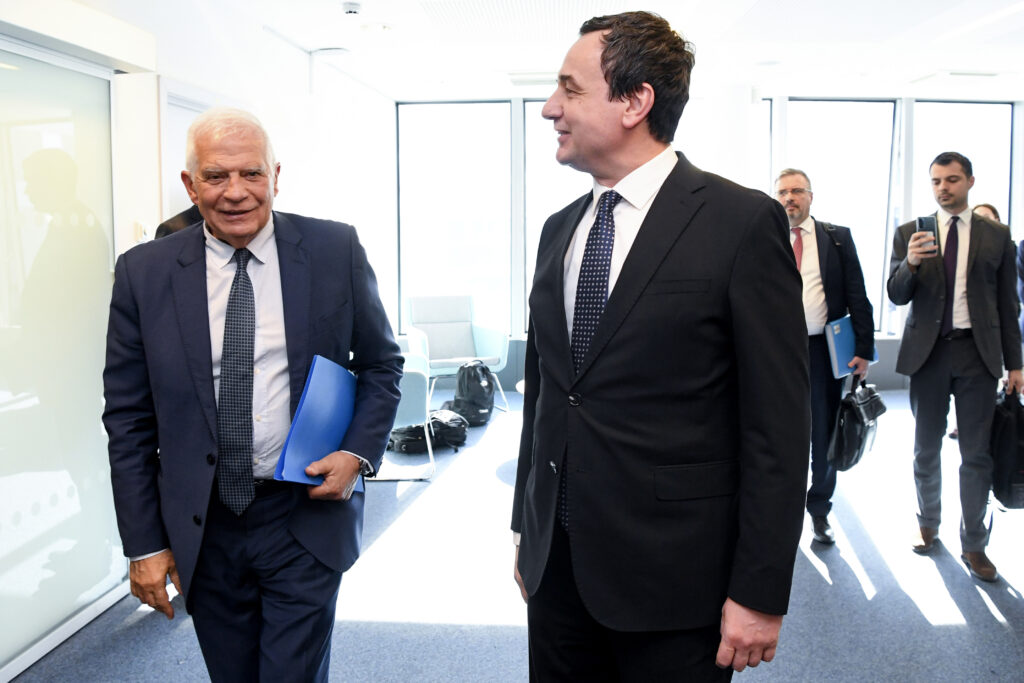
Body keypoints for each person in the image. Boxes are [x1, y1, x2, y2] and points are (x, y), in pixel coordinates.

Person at [510, 11, 810, 680]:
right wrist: (526, 531)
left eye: (570, 89)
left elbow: (778, 429)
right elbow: (548, 395)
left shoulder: (739, 222)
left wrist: (760, 589)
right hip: (557, 571)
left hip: (678, 585)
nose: (549, 108)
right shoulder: (560, 229)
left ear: (635, 101)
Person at [102, 107, 402, 681]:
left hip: (303, 513)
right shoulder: (145, 272)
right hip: (203, 525)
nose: (236, 193)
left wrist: (358, 453)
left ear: (276, 176)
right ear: (191, 185)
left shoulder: (334, 249)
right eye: (216, 177)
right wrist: (143, 546)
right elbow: (128, 419)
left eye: (251, 174)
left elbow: (382, 365)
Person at [887, 151, 1022, 583]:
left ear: (970, 182)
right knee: (925, 448)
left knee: (976, 455)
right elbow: (895, 293)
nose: (943, 188)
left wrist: (1015, 363)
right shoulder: (911, 232)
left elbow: (1008, 302)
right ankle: (928, 523)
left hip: (977, 354)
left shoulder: (997, 235)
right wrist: (909, 262)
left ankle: (974, 544)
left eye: (952, 180)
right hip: (928, 354)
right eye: (936, 181)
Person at [775, 169, 874, 545]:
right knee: (780, 434)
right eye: (782, 192)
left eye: (797, 190)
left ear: (811, 196)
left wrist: (864, 348)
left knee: (824, 432)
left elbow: (857, 293)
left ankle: (819, 511)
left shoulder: (835, 238)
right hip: (777, 352)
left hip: (822, 350)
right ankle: (782, 513)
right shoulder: (766, 236)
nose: (789, 198)